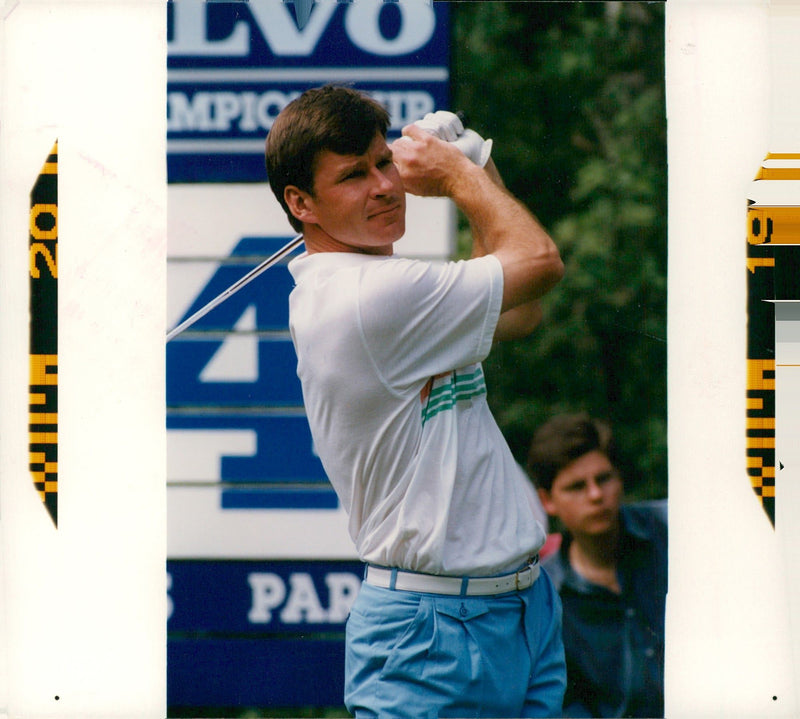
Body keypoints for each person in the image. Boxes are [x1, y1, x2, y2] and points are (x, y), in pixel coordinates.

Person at [264, 84, 566, 717]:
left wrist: (480, 166)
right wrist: (460, 173)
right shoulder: (365, 299)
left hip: (520, 612)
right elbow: (538, 261)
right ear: (300, 203)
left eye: (382, 162)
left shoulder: (387, 288)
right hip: (430, 635)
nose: (383, 185)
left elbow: (523, 312)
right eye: (351, 176)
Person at [526, 413, 667, 718]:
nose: (595, 495)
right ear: (547, 501)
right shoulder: (546, 597)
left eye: (604, 479)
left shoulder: (673, 529)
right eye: (577, 487)